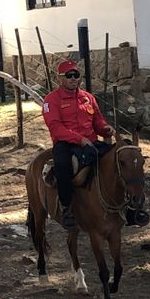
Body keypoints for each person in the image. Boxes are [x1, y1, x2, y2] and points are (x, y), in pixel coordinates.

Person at [42, 59, 114, 230]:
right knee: (63, 166)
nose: (73, 78)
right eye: (69, 75)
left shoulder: (88, 98)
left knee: (117, 160)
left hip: (90, 142)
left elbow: (98, 121)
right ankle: (66, 208)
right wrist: (80, 140)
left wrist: (106, 129)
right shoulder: (51, 100)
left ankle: (126, 205)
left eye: (76, 75)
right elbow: (56, 128)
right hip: (65, 144)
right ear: (59, 78)